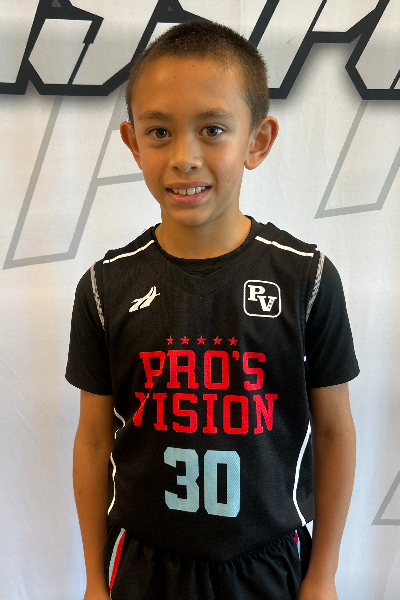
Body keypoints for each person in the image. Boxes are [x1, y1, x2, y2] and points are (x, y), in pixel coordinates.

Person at [67, 20, 359, 600]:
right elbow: (94, 441)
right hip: (144, 566)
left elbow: (332, 431)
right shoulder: (105, 287)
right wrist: (95, 580)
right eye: (159, 132)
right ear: (132, 142)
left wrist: (323, 575)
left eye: (213, 130)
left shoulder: (306, 279)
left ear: (258, 141)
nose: (185, 157)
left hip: (268, 563)